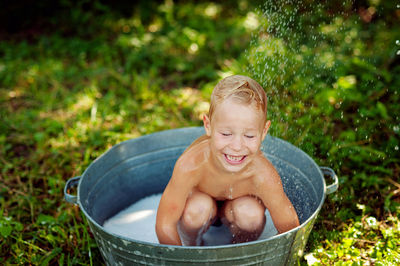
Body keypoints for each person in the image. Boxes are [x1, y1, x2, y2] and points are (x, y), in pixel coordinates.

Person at [156, 75, 299, 246]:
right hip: (199, 206)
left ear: (264, 131)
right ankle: (191, 247)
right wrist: (178, 260)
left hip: (236, 210)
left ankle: (237, 251)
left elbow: (290, 228)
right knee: (197, 209)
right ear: (208, 126)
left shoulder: (263, 175)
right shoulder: (191, 165)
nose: (237, 146)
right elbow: (165, 223)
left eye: (249, 135)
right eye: (226, 134)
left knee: (250, 214)